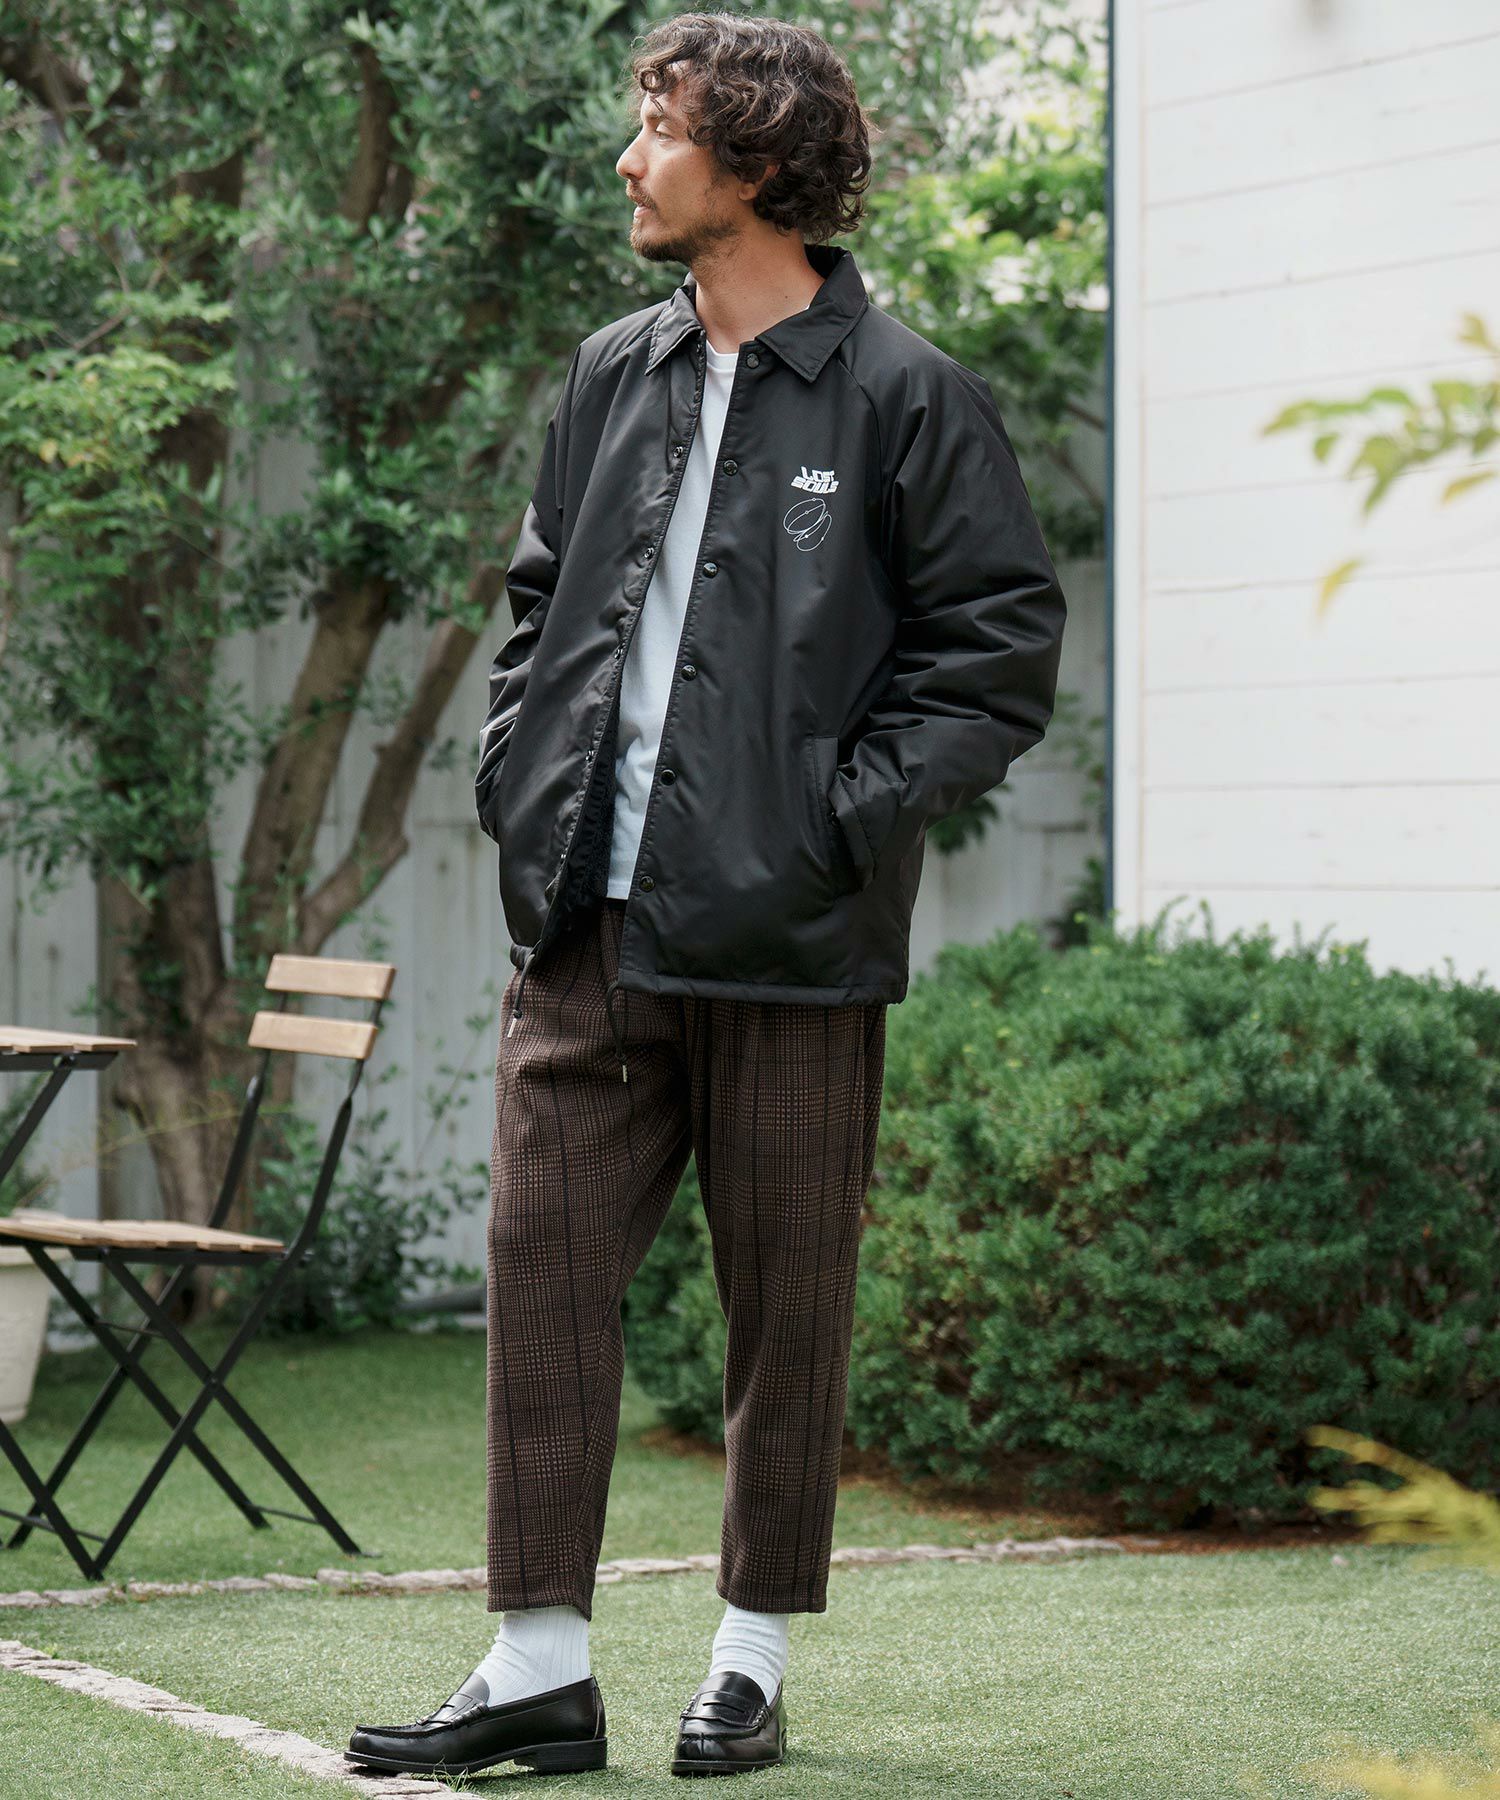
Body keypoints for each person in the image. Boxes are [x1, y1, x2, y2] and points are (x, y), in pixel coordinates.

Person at [346, 9, 1066, 1782]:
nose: (629, 157)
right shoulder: (615, 370)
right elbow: (542, 603)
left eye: (658, 127)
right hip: (586, 925)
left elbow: (994, 655)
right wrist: (521, 777)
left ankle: (748, 1661)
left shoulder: (905, 394)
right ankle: (537, 1666)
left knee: (786, 1309)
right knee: (543, 1279)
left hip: (795, 946)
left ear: (754, 160)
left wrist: (836, 824)